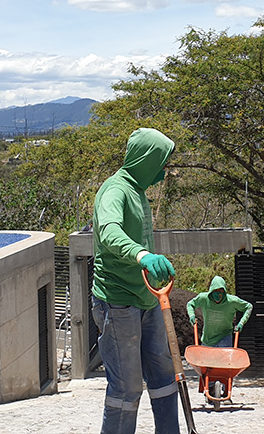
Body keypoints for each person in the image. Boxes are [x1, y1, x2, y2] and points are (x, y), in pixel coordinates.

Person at [90, 127, 179, 434]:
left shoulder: (138, 191)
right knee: (127, 389)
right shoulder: (115, 191)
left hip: (147, 298)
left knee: (164, 377)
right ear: (145, 160)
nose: (163, 171)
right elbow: (109, 232)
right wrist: (143, 257)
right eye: (160, 164)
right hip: (118, 303)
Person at [186, 275, 253, 348]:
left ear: (224, 290)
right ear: (211, 290)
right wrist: (191, 315)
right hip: (208, 339)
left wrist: (241, 323)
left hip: (224, 337)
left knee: (223, 358)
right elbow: (190, 304)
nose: (218, 293)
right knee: (206, 359)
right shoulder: (204, 299)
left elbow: (248, 307)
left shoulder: (232, 301)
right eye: (215, 290)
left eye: (220, 290)